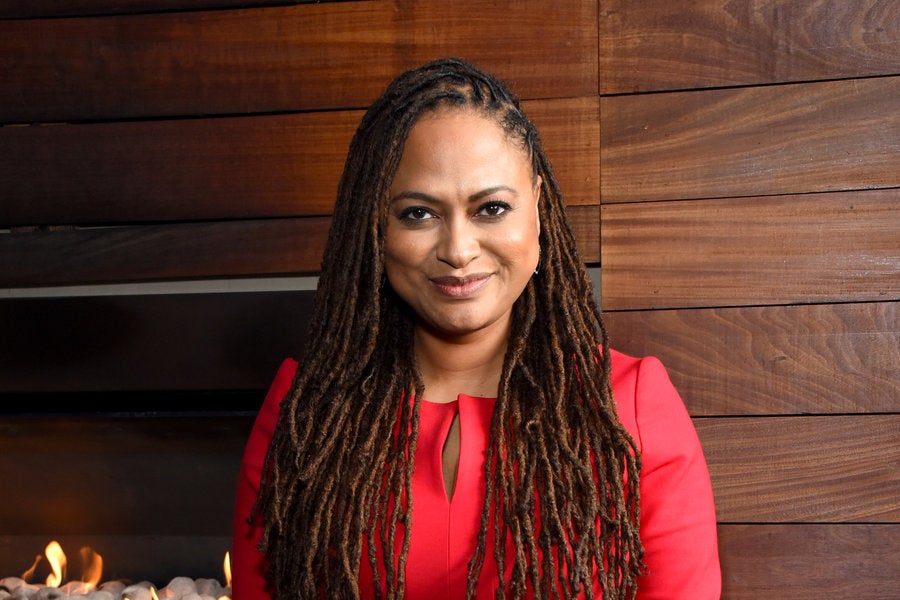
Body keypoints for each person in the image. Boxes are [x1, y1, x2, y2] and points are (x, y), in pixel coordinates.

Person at [231, 57, 721, 599]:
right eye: (418, 213)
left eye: (491, 207)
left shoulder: (630, 406)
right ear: (374, 227)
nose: (459, 250)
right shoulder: (305, 414)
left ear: (537, 208)